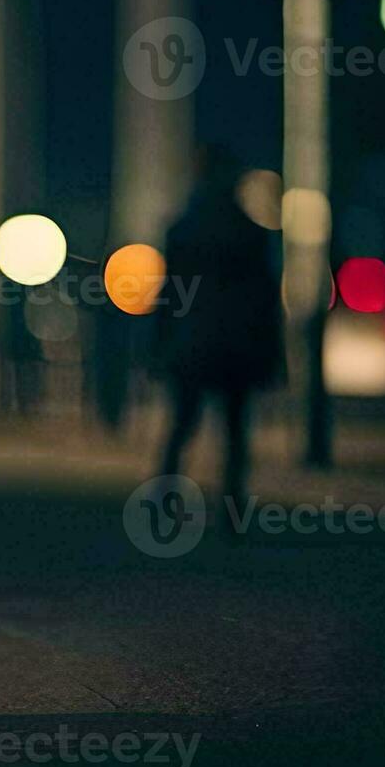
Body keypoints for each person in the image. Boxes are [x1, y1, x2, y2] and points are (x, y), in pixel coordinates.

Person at [156, 143, 282, 534]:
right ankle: (232, 511)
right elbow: (264, 300)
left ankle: (165, 504)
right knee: (233, 432)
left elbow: (169, 297)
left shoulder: (183, 230)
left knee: (181, 426)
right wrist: (270, 352)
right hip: (235, 346)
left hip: (193, 342)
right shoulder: (250, 234)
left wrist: (159, 345)